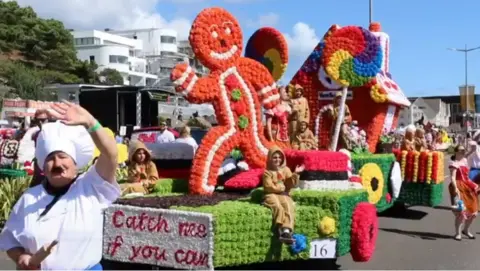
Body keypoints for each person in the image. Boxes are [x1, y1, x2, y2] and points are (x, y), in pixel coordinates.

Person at [0, 101, 120, 270]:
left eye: (63, 157)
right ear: (43, 166)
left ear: (75, 163)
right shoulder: (29, 198)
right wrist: (22, 257)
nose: (57, 163)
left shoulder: (91, 186)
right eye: (50, 158)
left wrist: (91, 123)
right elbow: (9, 238)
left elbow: (110, 154)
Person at [262, 146, 304, 244]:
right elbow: (268, 186)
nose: (277, 160)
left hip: (283, 194)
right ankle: (280, 229)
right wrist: (279, 188)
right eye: (275, 157)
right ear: (270, 158)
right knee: (278, 207)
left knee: (288, 206)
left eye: (279, 157)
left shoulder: (286, 170)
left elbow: (290, 184)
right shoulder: (267, 172)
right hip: (271, 194)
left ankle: (286, 231)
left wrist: (296, 174)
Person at [449, 145, 480, 241]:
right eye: (461, 150)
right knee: (461, 211)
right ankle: (458, 233)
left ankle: (466, 230)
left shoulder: (465, 160)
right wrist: (455, 188)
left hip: (468, 185)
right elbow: (453, 177)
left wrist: (473, 149)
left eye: (463, 150)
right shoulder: (454, 163)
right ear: (456, 152)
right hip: (459, 186)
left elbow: (468, 153)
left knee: (474, 211)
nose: (463, 152)